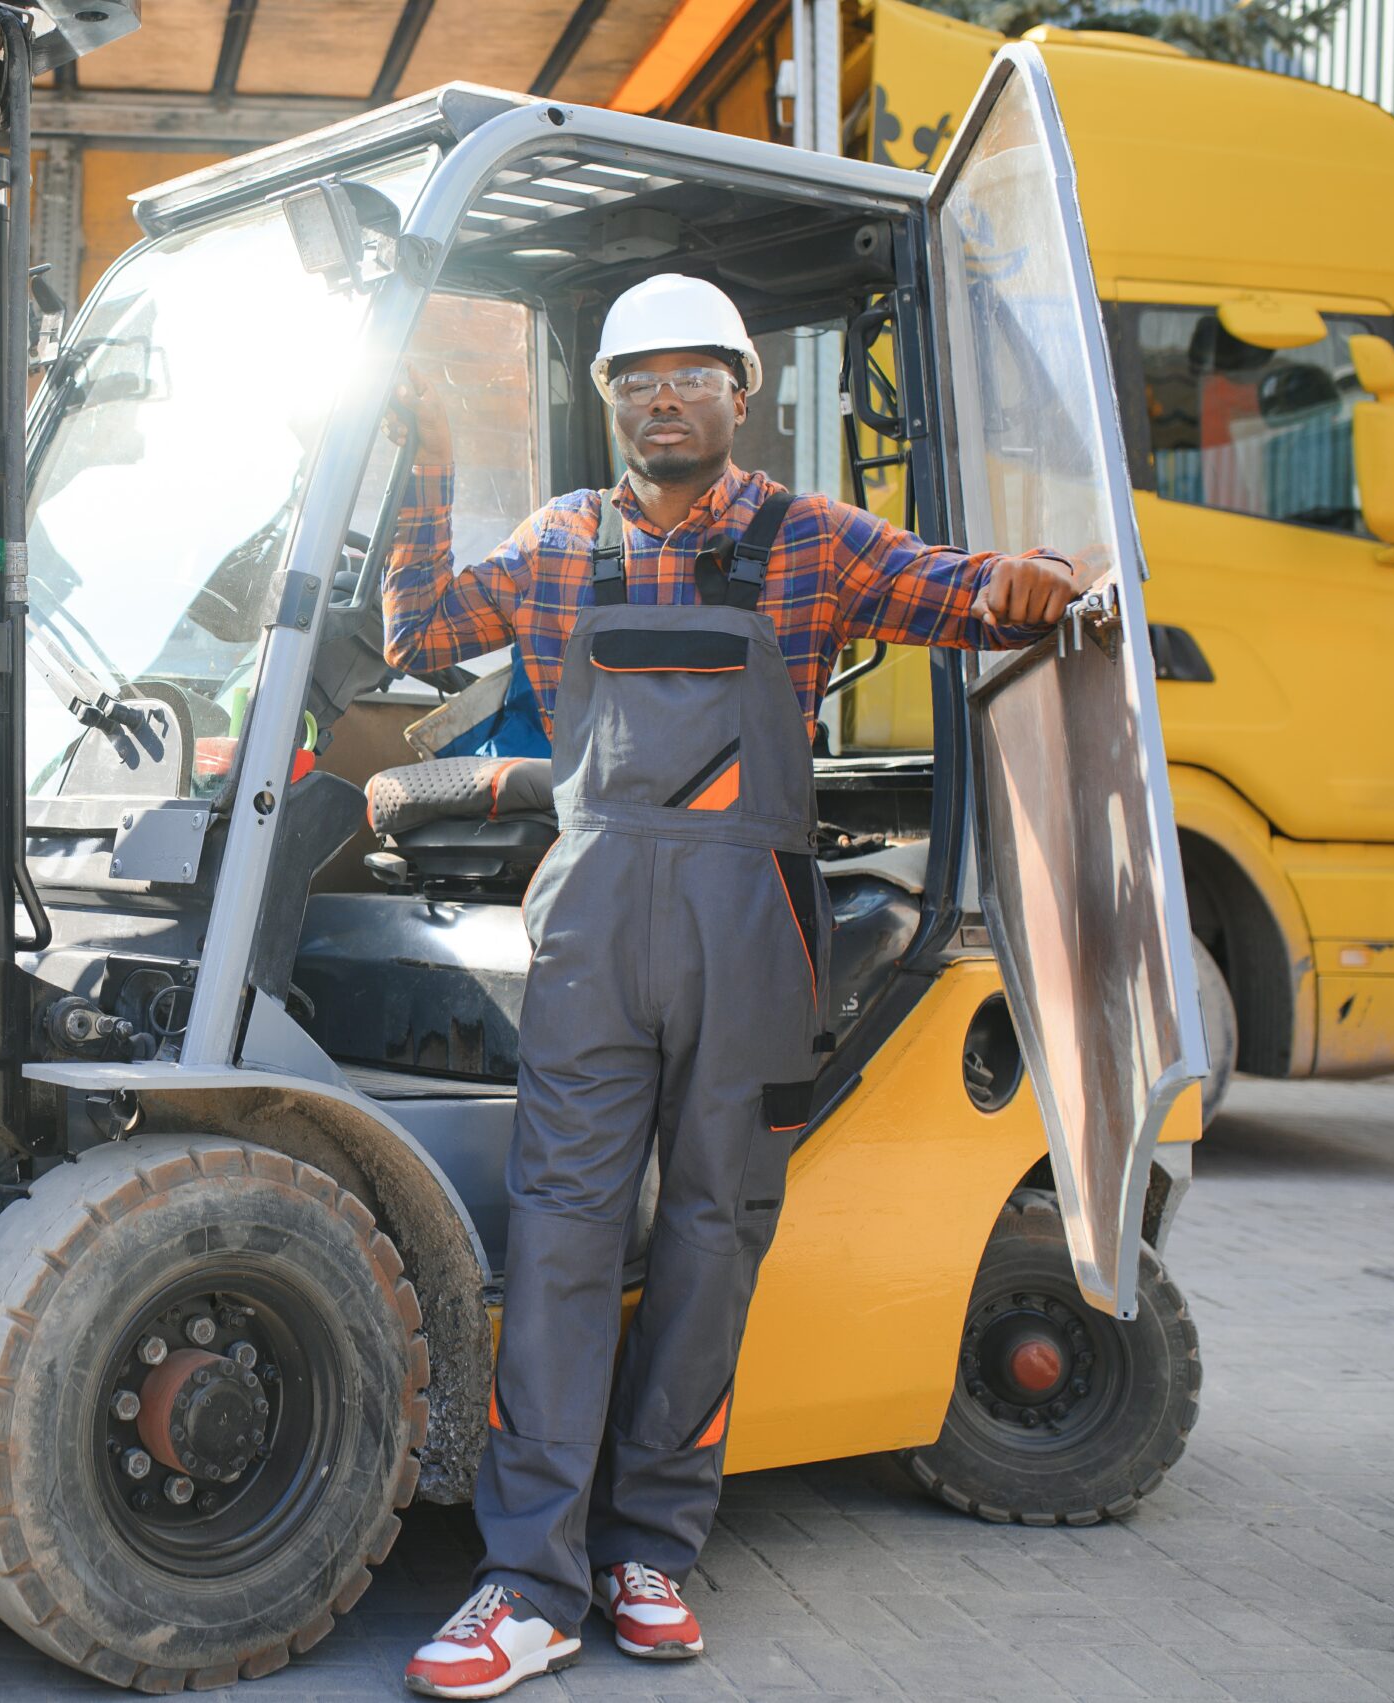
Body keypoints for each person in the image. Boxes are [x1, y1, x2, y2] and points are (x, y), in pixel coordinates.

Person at [391, 274, 1082, 1697]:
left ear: (741, 388)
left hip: (753, 930)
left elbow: (963, 601)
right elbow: (416, 639)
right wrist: (426, 464)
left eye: (690, 373)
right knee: (564, 1233)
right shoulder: (554, 548)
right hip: (590, 935)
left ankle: (651, 1546)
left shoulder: (813, 544)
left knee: (714, 1236)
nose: (661, 395)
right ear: (609, 402)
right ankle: (528, 1581)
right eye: (635, 376)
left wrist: (1029, 586)